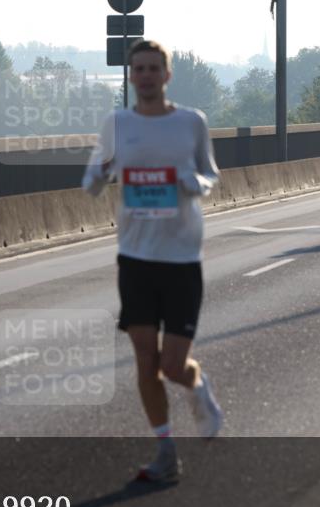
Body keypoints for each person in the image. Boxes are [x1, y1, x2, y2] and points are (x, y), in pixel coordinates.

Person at [83, 40, 223, 483]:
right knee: (145, 360)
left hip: (182, 259)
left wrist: (192, 181)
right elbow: (91, 180)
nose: (143, 75)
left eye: (152, 68)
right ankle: (166, 450)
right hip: (136, 258)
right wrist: (102, 174)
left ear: (167, 75)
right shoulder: (117, 124)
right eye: (137, 69)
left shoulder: (190, 122)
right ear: (130, 76)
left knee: (172, 366)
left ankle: (198, 389)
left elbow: (211, 176)